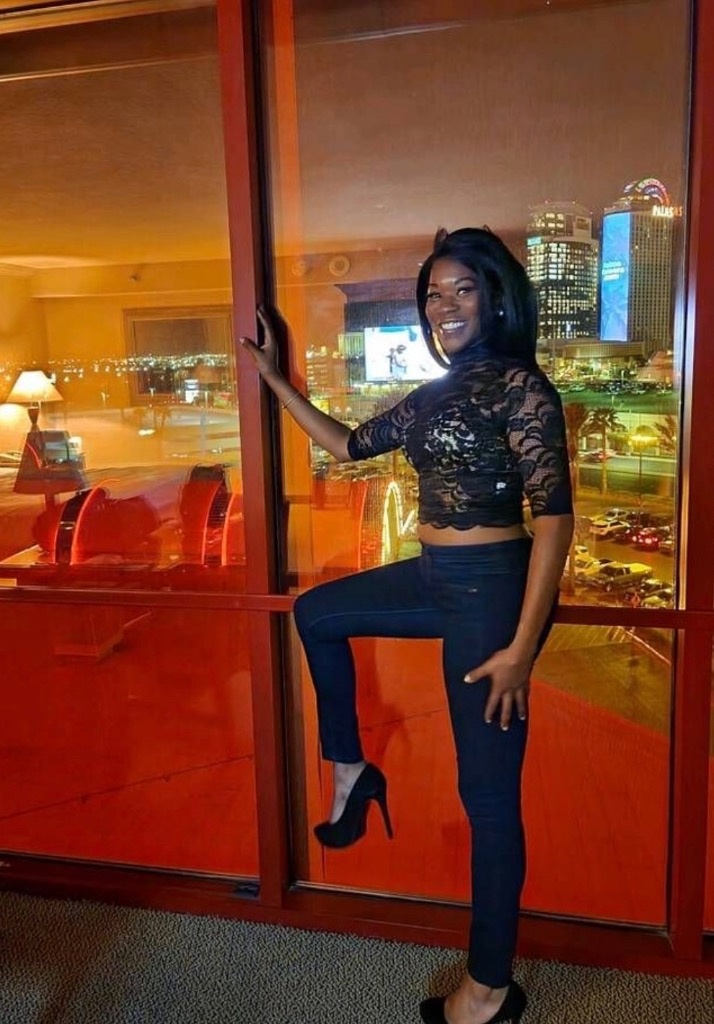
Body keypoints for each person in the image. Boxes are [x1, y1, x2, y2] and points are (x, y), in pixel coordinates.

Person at [240, 227, 574, 1024]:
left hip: (492, 595)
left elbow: (556, 522)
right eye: (433, 293)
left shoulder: (523, 388)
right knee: (317, 612)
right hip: (432, 577)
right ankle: (353, 767)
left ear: (496, 298)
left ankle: (488, 991)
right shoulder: (434, 393)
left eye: (463, 289)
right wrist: (275, 379)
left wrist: (521, 650)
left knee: (487, 798)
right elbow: (347, 443)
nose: (444, 306)